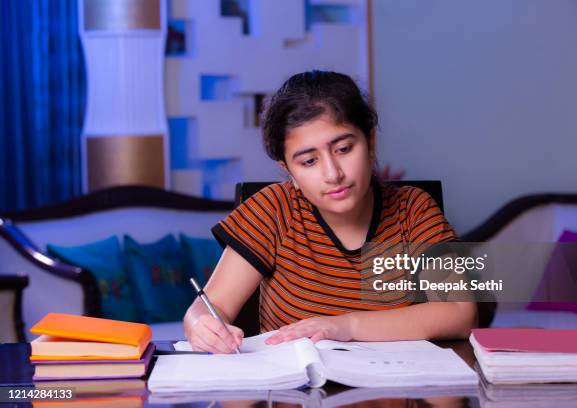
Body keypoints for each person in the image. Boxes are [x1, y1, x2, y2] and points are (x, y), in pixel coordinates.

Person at [184, 70, 477, 353]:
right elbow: (212, 306)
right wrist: (201, 326)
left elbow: (460, 312)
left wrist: (345, 326)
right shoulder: (273, 209)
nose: (333, 173)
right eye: (309, 161)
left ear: (371, 143)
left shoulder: (413, 210)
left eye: (344, 149)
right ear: (289, 172)